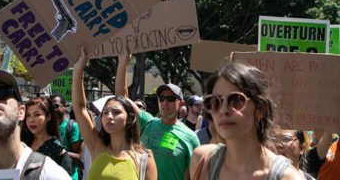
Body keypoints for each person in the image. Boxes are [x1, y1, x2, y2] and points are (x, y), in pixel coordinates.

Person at [189, 61, 303, 179]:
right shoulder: (202, 162)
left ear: (260, 108)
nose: (223, 110)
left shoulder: (288, 177)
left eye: (236, 100)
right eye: (215, 102)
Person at [72, 48, 157, 180]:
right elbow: (80, 108)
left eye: (116, 112)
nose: (109, 117)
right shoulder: (96, 146)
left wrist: (123, 62)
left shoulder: (144, 158)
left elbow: (122, 96)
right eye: (105, 113)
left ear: (130, 119)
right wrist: (78, 70)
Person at [116, 52, 199, 180]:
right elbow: (122, 98)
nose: (165, 102)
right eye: (161, 98)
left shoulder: (190, 137)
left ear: (181, 103)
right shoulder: (148, 122)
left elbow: (195, 176)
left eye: (171, 98)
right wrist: (123, 62)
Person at [22, 97, 73, 175]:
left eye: (37, 114)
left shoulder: (57, 150)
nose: (31, 120)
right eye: (28, 115)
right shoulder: (21, 143)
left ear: (48, 117)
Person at [51, 93, 84, 180]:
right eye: (50, 107)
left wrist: (59, 151)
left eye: (56, 106)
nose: (53, 110)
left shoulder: (72, 126)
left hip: (69, 176)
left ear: (64, 106)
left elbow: (80, 157)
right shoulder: (47, 127)